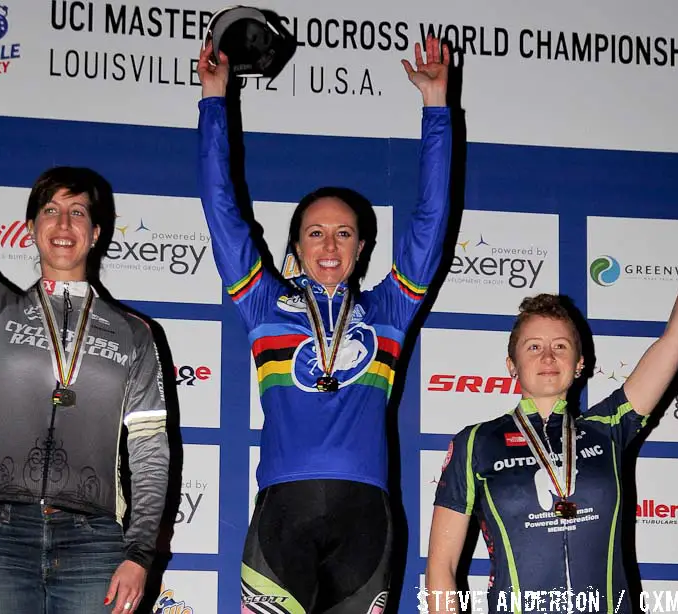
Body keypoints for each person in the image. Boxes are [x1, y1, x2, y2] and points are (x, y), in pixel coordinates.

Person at [0, 14, 169, 614]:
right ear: (32, 228)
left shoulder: (136, 335)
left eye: (76, 212)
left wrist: (140, 551)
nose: (62, 223)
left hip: (97, 540)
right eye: (49, 210)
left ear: (96, 233)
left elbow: (151, 455)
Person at [425, 160, 678, 614]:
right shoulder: (474, 444)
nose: (548, 357)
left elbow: (677, 339)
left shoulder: (608, 428)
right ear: (511, 364)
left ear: (580, 363)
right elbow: (441, 567)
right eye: (534, 347)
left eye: (561, 346)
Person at [197, 35, 452, 614]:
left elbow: (431, 221)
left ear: (362, 247)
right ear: (296, 246)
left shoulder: (389, 308)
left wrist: (435, 107)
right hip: (282, 513)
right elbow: (223, 213)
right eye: (315, 232)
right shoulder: (264, 304)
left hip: (365, 519)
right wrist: (214, 101)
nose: (330, 245)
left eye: (344, 233)